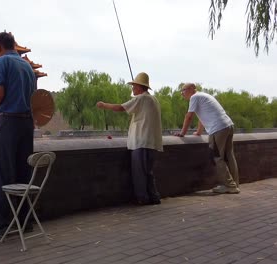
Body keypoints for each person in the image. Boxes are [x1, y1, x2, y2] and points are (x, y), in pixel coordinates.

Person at [0, 32, 37, 236]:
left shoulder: (1, 62)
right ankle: (26, 220)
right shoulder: (27, 66)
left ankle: (2, 222)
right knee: (24, 172)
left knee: (4, 172)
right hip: (26, 123)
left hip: (8, 120)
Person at [96, 72, 163, 205]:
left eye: (133, 86)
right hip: (152, 143)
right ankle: (154, 197)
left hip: (141, 142)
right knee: (148, 173)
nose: (132, 88)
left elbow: (121, 107)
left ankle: (142, 199)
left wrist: (104, 105)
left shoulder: (142, 98)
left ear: (139, 87)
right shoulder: (153, 99)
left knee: (139, 173)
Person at [174, 83, 240, 194]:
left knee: (217, 157)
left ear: (191, 89)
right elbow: (202, 117)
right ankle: (234, 184)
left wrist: (182, 133)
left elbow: (189, 116)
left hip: (218, 128)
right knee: (229, 155)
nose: (182, 93)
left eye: (184, 90)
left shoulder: (194, 97)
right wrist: (199, 132)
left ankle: (229, 186)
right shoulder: (202, 96)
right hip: (228, 125)